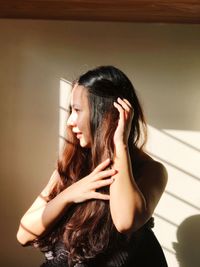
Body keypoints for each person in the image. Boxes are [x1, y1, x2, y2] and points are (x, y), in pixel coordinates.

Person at [16, 65, 168, 267]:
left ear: (106, 114)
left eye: (77, 110)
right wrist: (70, 194)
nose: (70, 121)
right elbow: (23, 234)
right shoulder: (72, 166)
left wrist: (119, 145)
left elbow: (125, 222)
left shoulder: (151, 171)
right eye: (71, 110)